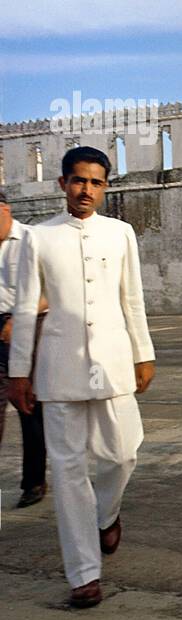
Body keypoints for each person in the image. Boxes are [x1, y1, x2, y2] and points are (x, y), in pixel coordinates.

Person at [8, 147, 155, 608]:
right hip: (59, 369)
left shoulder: (120, 234)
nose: (85, 190)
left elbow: (132, 298)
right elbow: (28, 307)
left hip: (113, 363)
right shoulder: (40, 237)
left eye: (95, 182)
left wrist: (143, 353)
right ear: (62, 184)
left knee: (124, 453)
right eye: (77, 181)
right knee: (69, 472)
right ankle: (83, 574)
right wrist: (18, 371)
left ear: (106, 187)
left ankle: (107, 514)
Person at [0, 189, 48, 507]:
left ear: (4, 209)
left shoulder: (33, 239)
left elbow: (54, 290)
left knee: (28, 405)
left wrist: (19, 319)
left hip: (25, 327)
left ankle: (34, 481)